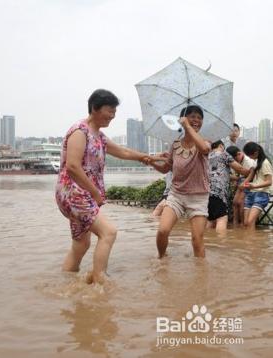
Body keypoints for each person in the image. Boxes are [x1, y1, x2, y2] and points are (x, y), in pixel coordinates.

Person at [56, 89, 154, 284]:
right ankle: (100, 280)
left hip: (82, 195)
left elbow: (123, 152)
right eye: (109, 111)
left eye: (114, 112)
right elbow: (73, 167)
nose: (112, 116)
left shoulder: (99, 136)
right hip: (74, 194)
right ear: (95, 108)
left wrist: (149, 157)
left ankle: (67, 284)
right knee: (108, 232)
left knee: (81, 244)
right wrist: (95, 193)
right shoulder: (79, 131)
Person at [151, 105, 211, 258]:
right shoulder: (175, 145)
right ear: (183, 118)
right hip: (176, 194)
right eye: (192, 116)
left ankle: (201, 275)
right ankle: (162, 260)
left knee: (197, 239)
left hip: (199, 197)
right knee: (163, 230)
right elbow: (166, 168)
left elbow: (204, 149)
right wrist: (151, 162)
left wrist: (187, 126)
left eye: (199, 117)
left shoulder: (204, 142)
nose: (196, 120)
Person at [207, 140, 250, 233]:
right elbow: (240, 169)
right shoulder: (224, 154)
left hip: (206, 192)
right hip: (219, 192)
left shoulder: (207, 156)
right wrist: (252, 172)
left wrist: (236, 178)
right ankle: (221, 243)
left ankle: (207, 241)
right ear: (221, 146)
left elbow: (220, 174)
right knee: (221, 218)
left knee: (210, 219)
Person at [241, 142, 273, 230]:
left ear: (255, 153)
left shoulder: (265, 163)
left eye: (249, 155)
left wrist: (254, 186)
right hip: (252, 193)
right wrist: (249, 185)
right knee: (246, 223)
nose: (249, 157)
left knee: (250, 222)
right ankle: (251, 242)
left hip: (261, 194)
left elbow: (269, 182)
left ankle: (251, 242)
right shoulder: (257, 162)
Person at [226, 145, 256, 225]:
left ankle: (242, 223)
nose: (234, 161)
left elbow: (252, 175)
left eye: (235, 159)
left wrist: (244, 183)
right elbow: (237, 175)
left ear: (239, 154)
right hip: (241, 182)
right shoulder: (237, 161)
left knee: (241, 202)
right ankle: (235, 223)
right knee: (235, 202)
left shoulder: (248, 161)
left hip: (250, 182)